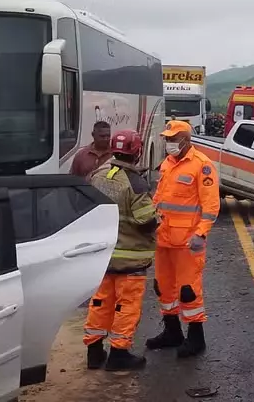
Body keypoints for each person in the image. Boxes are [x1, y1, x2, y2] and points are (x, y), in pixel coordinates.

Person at [83, 129, 158, 371]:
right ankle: (118, 353)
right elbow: (147, 222)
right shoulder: (135, 183)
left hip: (102, 258)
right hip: (130, 261)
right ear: (136, 152)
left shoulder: (99, 174)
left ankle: (94, 353)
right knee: (126, 306)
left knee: (100, 303)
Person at [147, 119, 220, 358]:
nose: (169, 143)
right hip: (163, 238)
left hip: (188, 242)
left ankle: (196, 338)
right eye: (167, 139)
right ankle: (172, 332)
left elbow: (211, 205)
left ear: (186, 140)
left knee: (189, 290)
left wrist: (201, 233)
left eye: (173, 139)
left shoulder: (202, 166)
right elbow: (158, 198)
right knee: (164, 288)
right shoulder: (167, 164)